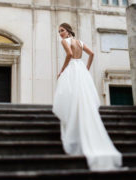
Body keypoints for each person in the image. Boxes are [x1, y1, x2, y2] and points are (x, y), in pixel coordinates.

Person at [52, 23, 122, 171]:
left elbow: (69, 55)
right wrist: (87, 68)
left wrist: (62, 70)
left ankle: (74, 125)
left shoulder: (65, 41)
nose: (60, 34)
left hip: (72, 68)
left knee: (70, 96)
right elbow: (92, 54)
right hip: (81, 69)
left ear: (68, 31)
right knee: (82, 98)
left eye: (62, 31)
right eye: (59, 32)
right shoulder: (80, 42)